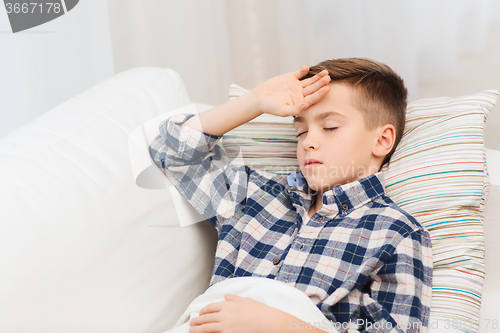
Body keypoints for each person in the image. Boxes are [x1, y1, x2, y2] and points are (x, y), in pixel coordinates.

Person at [149, 58, 433, 333]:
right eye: (300, 131)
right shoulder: (255, 196)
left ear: (382, 140)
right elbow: (170, 151)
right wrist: (255, 101)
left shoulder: (398, 232)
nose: (309, 141)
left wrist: (283, 327)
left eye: (330, 127)